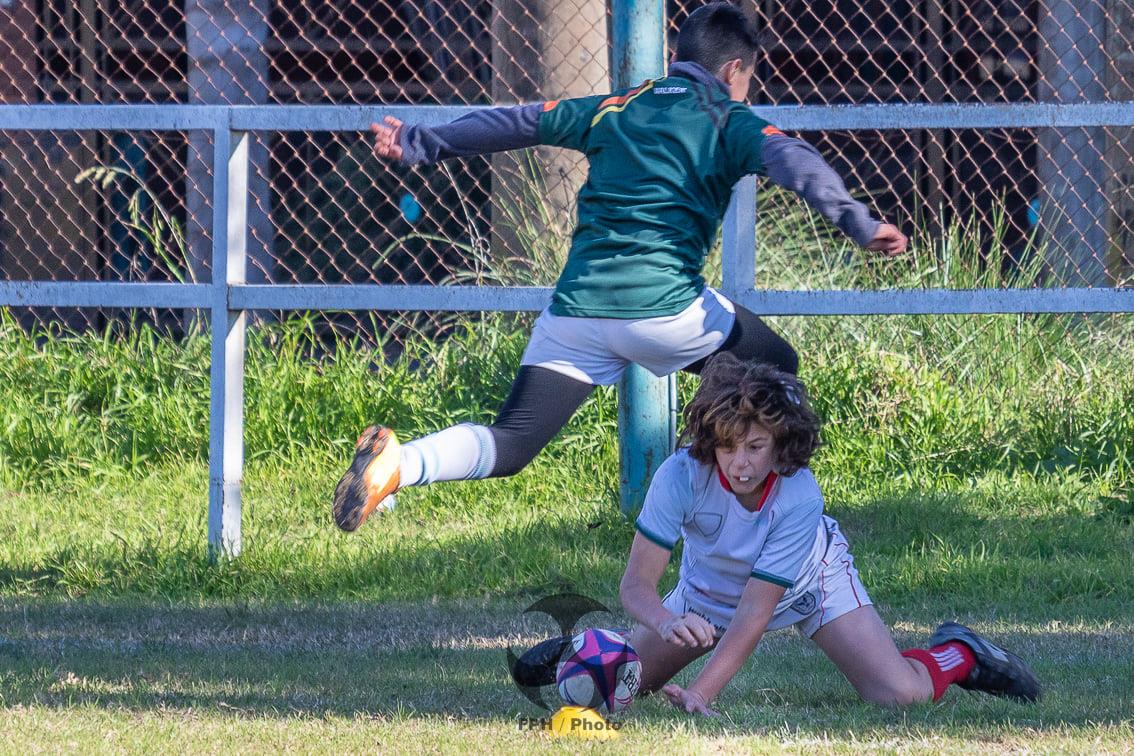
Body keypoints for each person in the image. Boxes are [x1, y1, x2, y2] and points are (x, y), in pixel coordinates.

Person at [333, 3, 908, 532]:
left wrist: (420, 141)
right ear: (734, 69)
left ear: (677, 58)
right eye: (748, 77)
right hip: (665, 311)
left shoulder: (613, 108)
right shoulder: (728, 119)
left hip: (576, 313)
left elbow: (516, 121)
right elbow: (794, 160)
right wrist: (858, 222)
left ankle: (400, 464)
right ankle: (735, 515)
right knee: (776, 365)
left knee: (513, 440)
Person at [612, 353, 1040, 714]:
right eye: (727, 447)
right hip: (706, 597)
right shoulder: (679, 475)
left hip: (810, 586)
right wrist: (666, 621)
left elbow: (754, 613)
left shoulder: (799, 493)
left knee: (901, 695)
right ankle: (587, 649)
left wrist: (700, 694)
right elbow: (635, 585)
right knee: (618, 686)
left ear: (781, 441)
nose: (740, 463)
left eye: (755, 447)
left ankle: (960, 653)